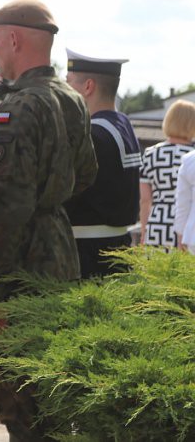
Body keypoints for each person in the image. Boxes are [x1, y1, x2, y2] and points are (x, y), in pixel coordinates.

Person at [0, 0, 97, 442]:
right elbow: (86, 174)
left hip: (21, 268)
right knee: (53, 397)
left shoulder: (19, 108)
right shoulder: (72, 98)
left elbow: (8, 207)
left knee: (21, 403)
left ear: (14, 39)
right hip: (60, 252)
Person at [64, 49, 141, 277]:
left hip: (88, 254)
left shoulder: (92, 133)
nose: (64, 89)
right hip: (118, 246)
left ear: (88, 87)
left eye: (68, 82)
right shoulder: (123, 123)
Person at [139, 99, 195, 247]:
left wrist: (144, 231)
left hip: (157, 224)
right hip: (188, 228)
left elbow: (145, 200)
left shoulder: (150, 153)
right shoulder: (192, 156)